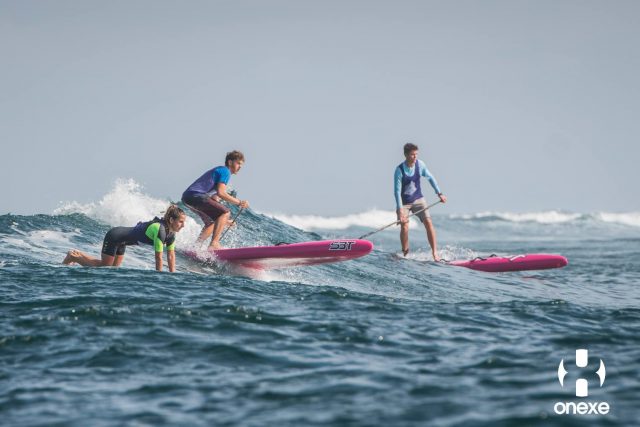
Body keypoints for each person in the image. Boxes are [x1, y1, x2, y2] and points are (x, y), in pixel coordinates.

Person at [62, 205, 186, 272]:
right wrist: (160, 279)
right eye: (180, 222)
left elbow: (170, 256)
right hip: (115, 236)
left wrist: (172, 276)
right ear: (171, 220)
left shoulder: (171, 235)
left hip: (123, 242)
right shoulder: (160, 229)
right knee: (104, 268)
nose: (183, 225)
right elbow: (158, 257)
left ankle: (76, 255)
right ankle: (73, 256)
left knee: (112, 272)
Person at [181, 150, 250, 249]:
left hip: (188, 197)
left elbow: (214, 198)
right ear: (230, 162)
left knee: (212, 222)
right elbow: (221, 193)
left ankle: (195, 247)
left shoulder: (220, 171)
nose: (240, 167)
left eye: (241, 165)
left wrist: (224, 222)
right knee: (226, 212)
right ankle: (214, 243)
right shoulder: (225, 171)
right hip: (196, 195)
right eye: (238, 163)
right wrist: (239, 202)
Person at [395, 143, 447, 260]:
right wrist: (400, 211)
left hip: (418, 199)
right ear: (406, 155)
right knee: (404, 227)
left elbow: (431, 178)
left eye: (416, 154)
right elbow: (397, 192)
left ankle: (435, 253)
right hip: (404, 203)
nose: (415, 157)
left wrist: (439, 193)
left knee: (428, 223)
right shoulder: (399, 171)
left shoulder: (420, 165)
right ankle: (405, 252)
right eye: (412, 155)